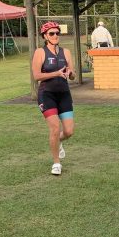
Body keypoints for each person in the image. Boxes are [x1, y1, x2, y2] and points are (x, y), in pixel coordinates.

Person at [31, 21, 76, 176]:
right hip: (47, 95)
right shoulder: (40, 52)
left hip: (64, 94)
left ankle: (59, 141)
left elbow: (73, 75)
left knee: (69, 131)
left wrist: (70, 73)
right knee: (55, 128)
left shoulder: (66, 52)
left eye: (57, 33)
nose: (55, 35)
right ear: (45, 36)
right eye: (51, 33)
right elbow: (36, 76)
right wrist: (56, 73)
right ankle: (56, 163)